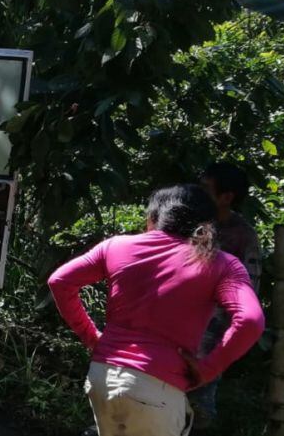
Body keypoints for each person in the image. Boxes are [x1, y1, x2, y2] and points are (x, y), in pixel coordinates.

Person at [48, 184, 265, 436]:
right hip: (158, 387)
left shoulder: (116, 246)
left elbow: (59, 281)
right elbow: (251, 320)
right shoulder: (221, 264)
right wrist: (208, 369)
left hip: (102, 378)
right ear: (207, 226)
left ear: (153, 219)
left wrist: (92, 338)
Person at [189, 162, 263, 430]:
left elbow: (249, 291)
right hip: (175, 326)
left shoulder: (242, 235)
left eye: (205, 188)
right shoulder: (188, 223)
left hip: (211, 333)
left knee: (199, 406)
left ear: (226, 196)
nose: (198, 193)